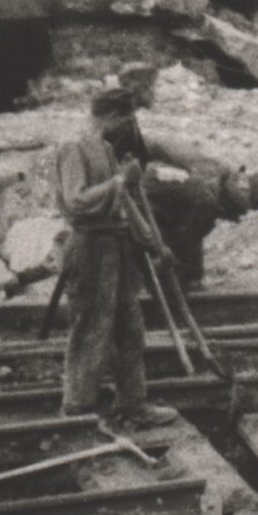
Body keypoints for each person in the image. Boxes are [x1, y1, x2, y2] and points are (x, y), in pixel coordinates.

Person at [54, 88, 180, 434]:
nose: (127, 127)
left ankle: (133, 405)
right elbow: (76, 201)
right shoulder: (73, 147)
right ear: (109, 116)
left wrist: (155, 244)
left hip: (118, 247)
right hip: (90, 247)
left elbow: (125, 202)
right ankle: (77, 408)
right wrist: (119, 180)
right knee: (91, 329)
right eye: (124, 119)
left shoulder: (107, 149)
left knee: (131, 329)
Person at [113, 64, 258, 288]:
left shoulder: (212, 179)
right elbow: (185, 241)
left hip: (140, 195)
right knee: (170, 270)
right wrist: (184, 277)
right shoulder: (207, 195)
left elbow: (190, 238)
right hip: (134, 206)